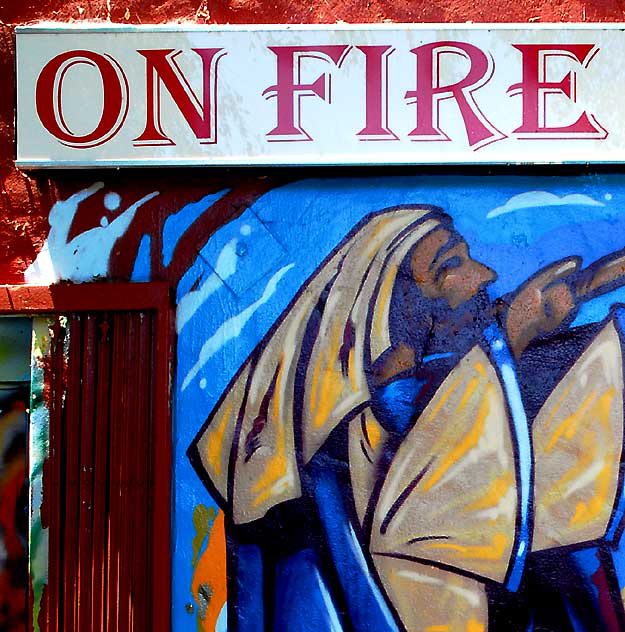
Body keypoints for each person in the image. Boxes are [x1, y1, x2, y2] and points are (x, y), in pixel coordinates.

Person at [189, 205, 625, 631]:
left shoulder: (443, 385)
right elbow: (427, 509)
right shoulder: (346, 453)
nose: (485, 276)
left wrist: (546, 316)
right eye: (450, 265)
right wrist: (512, 334)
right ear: (387, 308)